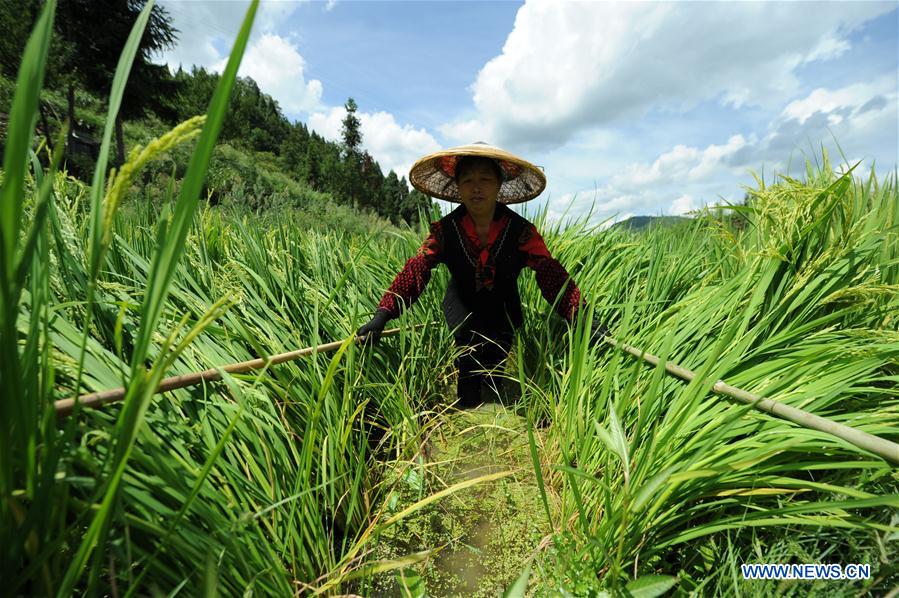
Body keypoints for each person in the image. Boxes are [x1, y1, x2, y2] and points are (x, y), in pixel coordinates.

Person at [357, 142, 607, 408]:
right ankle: (467, 412)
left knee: (495, 377)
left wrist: (580, 315)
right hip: (462, 314)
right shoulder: (444, 231)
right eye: (468, 180)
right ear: (458, 187)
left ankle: (495, 412)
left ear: (499, 185)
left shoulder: (521, 231)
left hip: (504, 315)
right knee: (468, 378)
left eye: (485, 179)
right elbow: (416, 271)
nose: (476, 187)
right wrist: (382, 316)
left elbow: (550, 273)